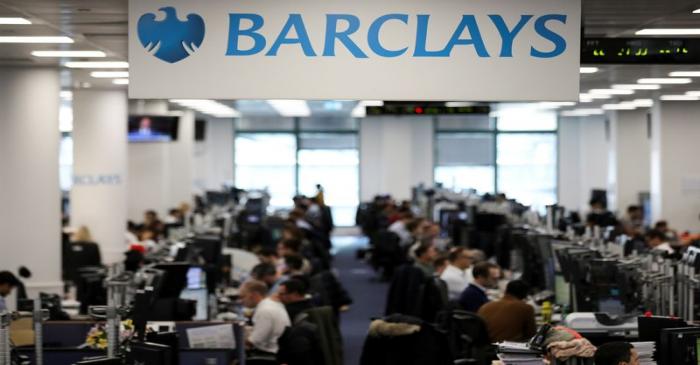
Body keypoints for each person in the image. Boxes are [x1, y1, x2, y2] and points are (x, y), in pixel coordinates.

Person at [240, 280, 291, 355]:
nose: (241, 301)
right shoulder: (271, 304)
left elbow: (254, 341)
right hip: (278, 349)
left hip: (269, 353)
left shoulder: (264, 310)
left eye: (242, 297)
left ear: (254, 295)